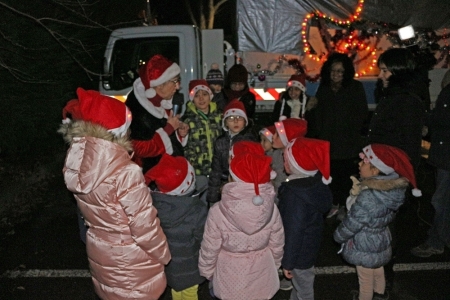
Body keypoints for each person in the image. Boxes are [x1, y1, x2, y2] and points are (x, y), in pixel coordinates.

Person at [59, 88, 171, 300]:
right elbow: (144, 227)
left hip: (102, 252)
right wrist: (163, 254)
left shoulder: (78, 161)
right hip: (131, 258)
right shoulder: (125, 172)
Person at [334, 144, 421, 300]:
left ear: (375, 171)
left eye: (363, 162)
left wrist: (339, 236)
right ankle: (380, 296)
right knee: (378, 271)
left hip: (364, 242)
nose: (359, 164)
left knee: (365, 279)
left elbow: (354, 221)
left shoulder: (369, 196)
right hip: (380, 238)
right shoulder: (389, 192)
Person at [198, 151, 285, 300]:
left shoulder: (217, 211)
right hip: (261, 272)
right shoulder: (271, 209)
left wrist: (207, 271)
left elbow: (210, 247)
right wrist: (275, 264)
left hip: (230, 276)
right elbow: (277, 242)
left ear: (232, 178)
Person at [306, 52, 368, 219]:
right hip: (327, 142)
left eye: (340, 71)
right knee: (330, 176)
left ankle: (345, 205)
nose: (336, 74)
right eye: (333, 70)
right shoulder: (324, 88)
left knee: (347, 176)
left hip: (347, 142)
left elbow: (361, 113)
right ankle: (333, 204)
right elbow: (318, 114)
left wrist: (353, 132)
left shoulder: (355, 88)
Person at [144, 154, 208, 300]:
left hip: (169, 267)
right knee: (190, 294)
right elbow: (203, 238)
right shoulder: (197, 210)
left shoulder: (153, 206)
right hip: (190, 267)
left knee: (177, 290)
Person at [279, 137, 333, 300]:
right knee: (300, 285)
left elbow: (294, 231)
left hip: (298, 254)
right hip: (309, 247)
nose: (283, 163)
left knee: (304, 287)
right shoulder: (314, 184)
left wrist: (287, 262)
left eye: (286, 159)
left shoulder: (295, 195)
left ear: (297, 165)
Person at [126, 54, 189, 173]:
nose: (178, 86)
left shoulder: (163, 102)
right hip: (150, 177)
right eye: (174, 81)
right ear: (159, 85)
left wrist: (179, 132)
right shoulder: (138, 111)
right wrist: (169, 129)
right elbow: (138, 149)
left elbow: (166, 131)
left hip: (166, 170)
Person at [411, 69, 450, 258]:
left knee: (441, 200)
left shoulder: (448, 91)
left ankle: (436, 241)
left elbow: (442, 118)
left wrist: (425, 121)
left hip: (446, 156)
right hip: (444, 154)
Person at [368, 48, 425, 171]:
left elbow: (410, 144)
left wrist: (403, 173)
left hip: (393, 169)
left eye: (385, 71)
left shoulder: (407, 101)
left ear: (399, 72)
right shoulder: (389, 97)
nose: (380, 76)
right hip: (382, 165)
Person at [206, 99, 257, 204]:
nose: (235, 121)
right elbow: (216, 170)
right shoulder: (220, 142)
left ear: (245, 121)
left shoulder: (250, 141)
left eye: (239, 118)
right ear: (225, 123)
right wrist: (213, 194)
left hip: (244, 185)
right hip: (224, 184)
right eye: (231, 118)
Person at [182, 79, 223, 202]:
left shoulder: (219, 116)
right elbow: (184, 145)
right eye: (197, 96)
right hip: (198, 170)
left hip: (218, 169)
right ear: (192, 99)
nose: (201, 99)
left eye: (204, 94)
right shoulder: (188, 120)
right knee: (201, 202)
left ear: (210, 96)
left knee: (218, 202)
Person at [260, 125, 286, 198]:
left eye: (264, 140)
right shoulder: (266, 154)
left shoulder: (277, 156)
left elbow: (280, 174)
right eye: (261, 140)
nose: (261, 143)